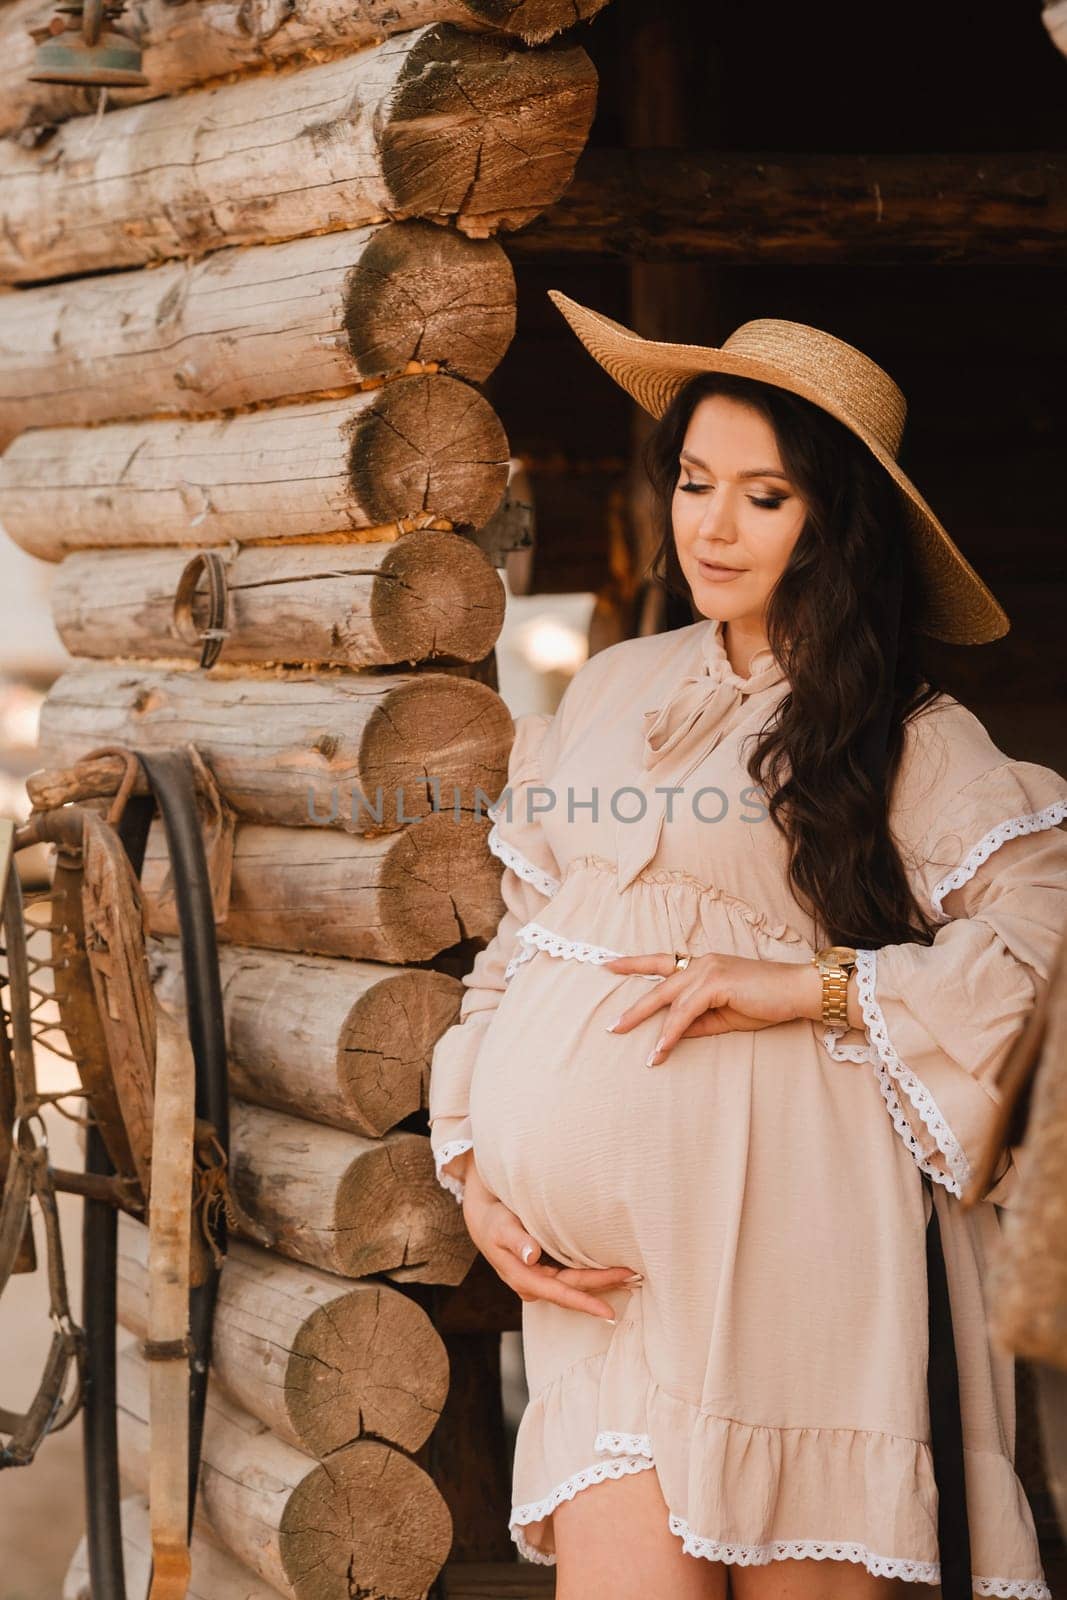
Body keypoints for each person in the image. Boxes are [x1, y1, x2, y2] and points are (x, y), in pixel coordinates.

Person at [428, 294, 1067, 1598]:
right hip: (607, 1311)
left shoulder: (908, 732)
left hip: (803, 1274)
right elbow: (522, 947)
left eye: (763, 496)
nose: (711, 526)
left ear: (833, 519)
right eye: (697, 481)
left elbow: (1044, 942)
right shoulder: (611, 689)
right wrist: (478, 1168)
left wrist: (812, 987)